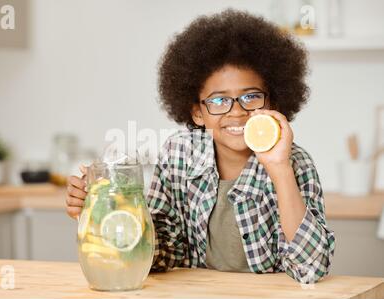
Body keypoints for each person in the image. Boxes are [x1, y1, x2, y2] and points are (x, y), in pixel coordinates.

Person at [66, 9, 335, 284]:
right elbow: (159, 253)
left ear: (273, 103)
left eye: (251, 96)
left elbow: (310, 268)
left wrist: (279, 169)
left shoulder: (294, 162)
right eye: (219, 101)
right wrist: (100, 210)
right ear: (197, 113)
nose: (236, 112)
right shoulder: (179, 154)